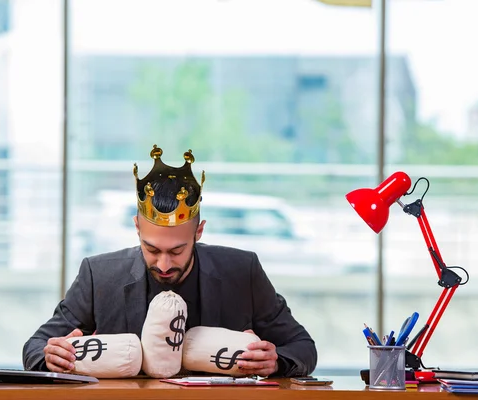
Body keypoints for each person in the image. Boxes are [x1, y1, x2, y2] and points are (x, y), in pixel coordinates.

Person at [22, 145, 317, 377]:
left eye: (176, 251)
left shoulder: (242, 271)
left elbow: (303, 348)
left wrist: (275, 362)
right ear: (137, 228)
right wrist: (52, 356)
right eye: (151, 249)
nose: (163, 264)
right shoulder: (99, 274)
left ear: (198, 232)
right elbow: (34, 348)